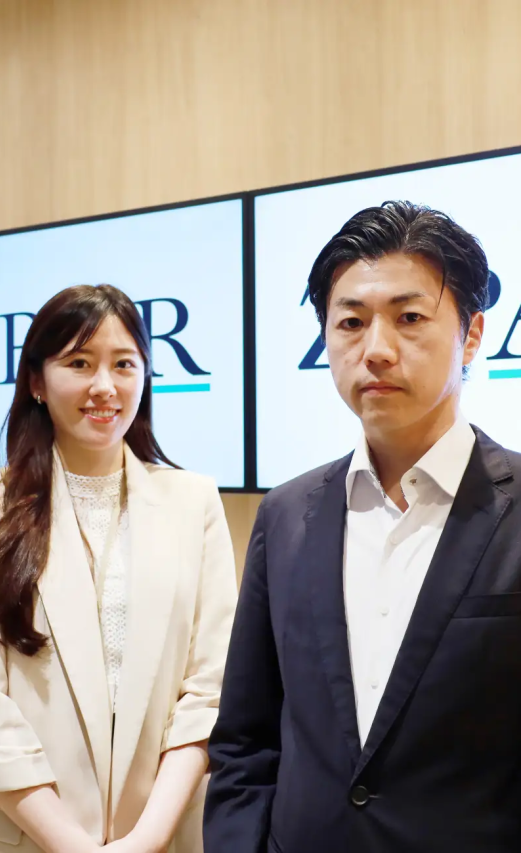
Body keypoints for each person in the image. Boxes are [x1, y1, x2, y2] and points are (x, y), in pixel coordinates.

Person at [203, 200, 521, 853]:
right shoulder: (285, 514)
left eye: (409, 318)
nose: (375, 350)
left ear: (472, 335)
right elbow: (245, 738)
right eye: (350, 322)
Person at [0, 283, 237, 853]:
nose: (104, 386)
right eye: (79, 363)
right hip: (19, 838)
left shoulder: (193, 501)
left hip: (163, 836)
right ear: (36, 381)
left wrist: (146, 839)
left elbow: (209, 693)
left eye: (124, 364)